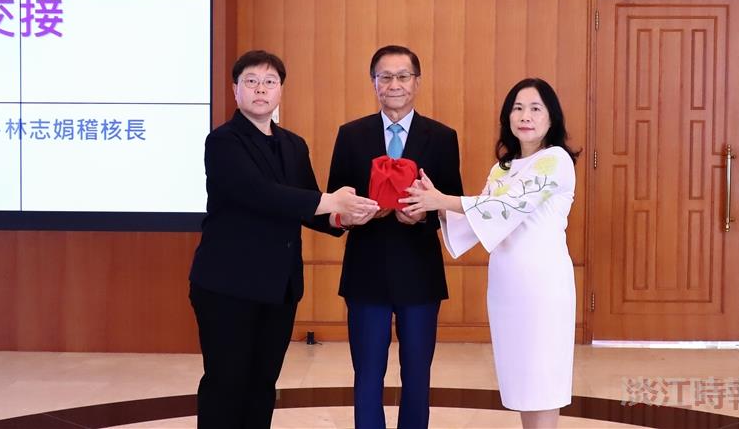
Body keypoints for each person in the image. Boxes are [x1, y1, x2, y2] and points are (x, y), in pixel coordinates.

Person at [188, 50, 378, 429]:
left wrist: (344, 217)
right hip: (228, 286)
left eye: (270, 82)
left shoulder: (293, 144)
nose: (261, 89)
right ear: (235, 90)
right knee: (227, 383)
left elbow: (306, 204)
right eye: (251, 81)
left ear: (280, 92)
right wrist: (330, 200)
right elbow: (258, 193)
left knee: (262, 384)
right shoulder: (223, 142)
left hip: (279, 286)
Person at [401, 78, 579, 429]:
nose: (524, 116)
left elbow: (504, 207)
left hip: (543, 287)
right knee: (523, 381)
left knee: (543, 380)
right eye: (517, 108)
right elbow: (476, 219)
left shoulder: (555, 160)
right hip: (507, 288)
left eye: (535, 108)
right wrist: (433, 203)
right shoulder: (503, 168)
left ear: (551, 118)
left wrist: (442, 200)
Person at [326, 45, 463, 428]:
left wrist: (421, 216)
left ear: (417, 82)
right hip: (366, 273)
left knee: (417, 376)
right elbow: (335, 201)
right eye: (385, 77)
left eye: (403, 76)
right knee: (367, 374)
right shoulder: (351, 135)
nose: (394, 84)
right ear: (373, 83)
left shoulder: (442, 137)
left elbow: (452, 208)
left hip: (420, 273)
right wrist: (358, 215)